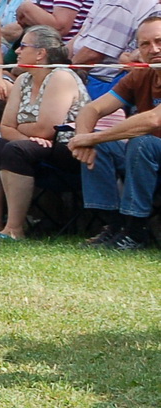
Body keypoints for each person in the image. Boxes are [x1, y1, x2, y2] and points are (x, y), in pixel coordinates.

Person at [0, 25, 88, 239]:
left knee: (16, 150)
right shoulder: (23, 80)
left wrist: (22, 130)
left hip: (68, 148)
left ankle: (14, 228)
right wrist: (27, 136)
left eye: (22, 46)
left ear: (41, 53)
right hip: (35, 146)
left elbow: (46, 129)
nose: (17, 51)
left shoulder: (61, 77)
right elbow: (5, 127)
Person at [66, 16, 161, 250]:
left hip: (149, 149)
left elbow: (153, 119)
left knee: (142, 142)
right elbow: (93, 108)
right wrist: (84, 141)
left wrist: (92, 137)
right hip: (148, 156)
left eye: (159, 41)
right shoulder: (142, 74)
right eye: (145, 44)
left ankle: (135, 230)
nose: (154, 49)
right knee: (103, 145)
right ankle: (114, 226)